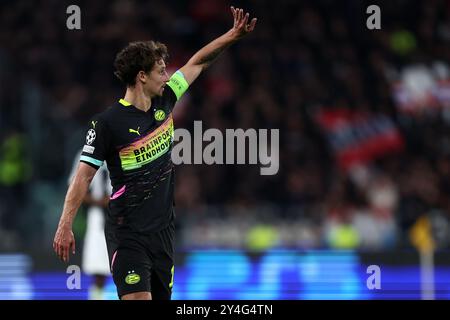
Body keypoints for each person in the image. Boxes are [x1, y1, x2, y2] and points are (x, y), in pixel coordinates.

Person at [53, 7, 257, 300]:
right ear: (141, 77)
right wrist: (64, 225)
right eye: (161, 70)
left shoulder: (167, 99)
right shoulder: (107, 124)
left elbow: (198, 62)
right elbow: (82, 177)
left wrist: (233, 35)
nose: (167, 75)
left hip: (163, 234)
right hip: (128, 235)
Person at [68, 151, 112, 300]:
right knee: (98, 269)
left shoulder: (123, 148)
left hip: (122, 216)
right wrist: (98, 201)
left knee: (127, 267)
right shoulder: (85, 153)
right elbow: (74, 187)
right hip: (96, 217)